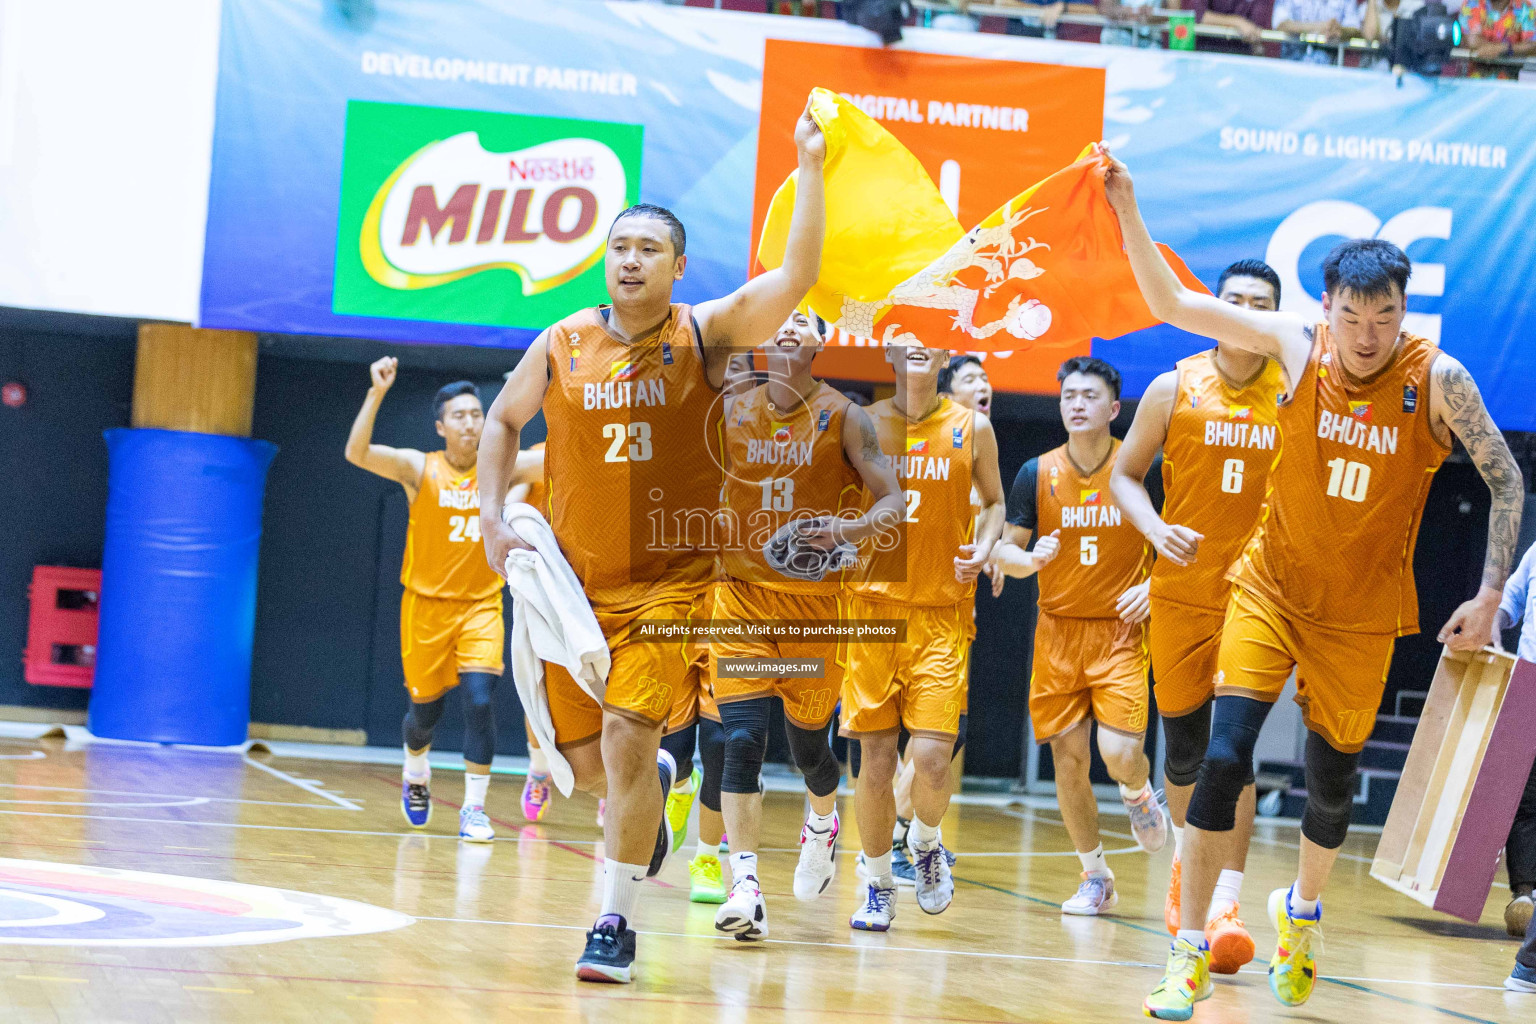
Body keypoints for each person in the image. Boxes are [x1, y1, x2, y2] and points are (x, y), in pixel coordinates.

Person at [1101, 146, 1524, 1020]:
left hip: (1362, 615)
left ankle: (1302, 913)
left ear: (1405, 311)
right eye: (1353, 315)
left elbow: (1508, 480)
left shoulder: (1437, 380)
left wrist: (1488, 597)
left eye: (1386, 316)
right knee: (1222, 758)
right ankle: (1186, 949)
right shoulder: (1296, 348)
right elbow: (1173, 303)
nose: (1368, 334)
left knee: (1332, 786)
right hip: (1269, 589)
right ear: (1325, 308)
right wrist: (1126, 206)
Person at [476, 102, 826, 984]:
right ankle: (650, 815)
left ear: (676, 268)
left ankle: (615, 920)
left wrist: (812, 165)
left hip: (669, 592)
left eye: (647, 250)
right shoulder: (562, 342)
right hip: (569, 588)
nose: (628, 259)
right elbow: (503, 420)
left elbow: (796, 272)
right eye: (618, 246)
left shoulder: (704, 337)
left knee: (629, 739)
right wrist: (488, 515)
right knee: (587, 765)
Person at [1109, 259, 1286, 975]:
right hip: (1182, 591)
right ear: (1213, 307)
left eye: (1260, 304)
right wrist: (1153, 529)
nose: (1246, 312)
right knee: (1184, 752)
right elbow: (1125, 475)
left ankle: (1226, 905)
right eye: (1235, 301)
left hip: (1258, 596)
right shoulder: (1172, 385)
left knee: (1229, 752)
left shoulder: (1301, 388)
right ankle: (1191, 870)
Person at [709, 311, 902, 941]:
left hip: (815, 613)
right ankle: (744, 880)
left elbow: (893, 500)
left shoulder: (845, 416)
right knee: (741, 738)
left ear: (822, 342)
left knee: (809, 750)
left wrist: (843, 532)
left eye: (804, 323)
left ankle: (823, 820)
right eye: (782, 320)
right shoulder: (730, 410)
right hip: (740, 600)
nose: (790, 328)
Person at [992, 356, 1169, 918]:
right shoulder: (1035, 473)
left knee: (1119, 755)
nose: (1076, 404)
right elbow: (1004, 550)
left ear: (1114, 409)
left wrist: (1156, 585)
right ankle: (1095, 875)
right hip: (1059, 633)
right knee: (1067, 760)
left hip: (1119, 631)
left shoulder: (1142, 469)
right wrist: (1027, 558)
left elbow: (1181, 541)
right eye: (1068, 394)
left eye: (1089, 396)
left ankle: (1139, 792)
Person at [842, 337, 1006, 932]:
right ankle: (878, 883)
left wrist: (984, 545)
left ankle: (928, 841)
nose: (915, 354)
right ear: (889, 358)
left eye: (926, 348)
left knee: (934, 759)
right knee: (876, 760)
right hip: (871, 613)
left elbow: (993, 503)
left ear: (942, 361)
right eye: (903, 347)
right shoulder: (858, 425)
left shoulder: (972, 428)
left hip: (940, 612)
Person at [343, 360, 504, 843]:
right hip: (426, 608)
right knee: (425, 716)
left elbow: (563, 461)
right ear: (440, 426)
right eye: (460, 415)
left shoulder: (501, 467)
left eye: (477, 414)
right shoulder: (420, 467)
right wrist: (376, 393)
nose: (471, 422)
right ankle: (416, 768)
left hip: (481, 606)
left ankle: (474, 808)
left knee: (480, 700)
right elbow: (357, 453)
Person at [1496, 539, 1536, 938]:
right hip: (1528, 684)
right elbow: (1510, 601)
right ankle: (1524, 895)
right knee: (1522, 798)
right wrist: (1492, 623)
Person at [1272, 0, 1365, 62]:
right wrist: (1319, 27)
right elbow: (1280, 24)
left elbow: (1355, 28)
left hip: (1330, 70)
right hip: (1291, 66)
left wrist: (1339, 30)